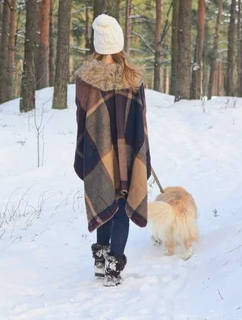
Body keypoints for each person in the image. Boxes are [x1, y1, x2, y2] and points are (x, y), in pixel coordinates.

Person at [74, 14, 151, 287]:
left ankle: (100, 259)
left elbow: (82, 122)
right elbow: (140, 124)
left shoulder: (85, 81)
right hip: (128, 153)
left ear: (97, 45)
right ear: (118, 43)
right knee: (120, 208)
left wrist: (84, 153)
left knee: (103, 195)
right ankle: (113, 267)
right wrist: (141, 155)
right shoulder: (134, 79)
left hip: (98, 154)